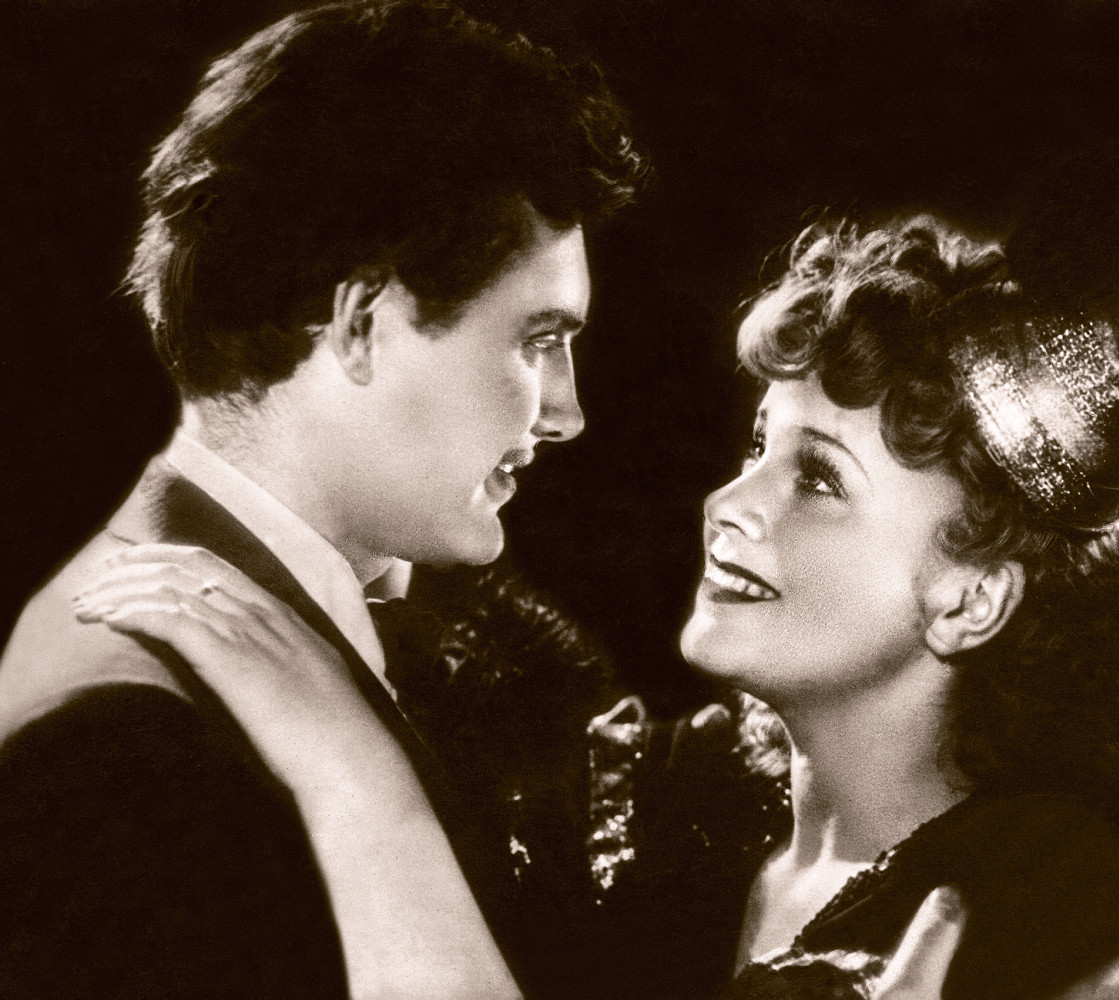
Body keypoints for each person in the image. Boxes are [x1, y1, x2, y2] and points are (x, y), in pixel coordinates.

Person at [70, 209, 1119, 1000]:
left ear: (969, 598)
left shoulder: (1061, 914)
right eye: (756, 445)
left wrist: (356, 781)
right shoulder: (680, 807)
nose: (729, 505)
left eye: (818, 479)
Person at [0, 2, 642, 998]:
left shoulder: (389, 629)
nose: (566, 413)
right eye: (536, 340)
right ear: (360, 323)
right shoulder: (119, 742)